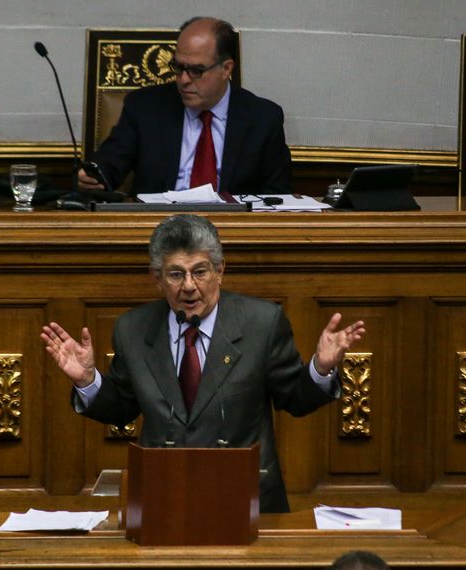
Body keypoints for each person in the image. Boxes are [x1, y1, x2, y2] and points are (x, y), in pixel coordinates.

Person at [41, 214, 365, 513]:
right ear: (157, 278)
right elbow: (122, 407)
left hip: (245, 501)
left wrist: (321, 369)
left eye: (200, 271)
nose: (189, 287)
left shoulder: (261, 323)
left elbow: (294, 397)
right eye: (175, 274)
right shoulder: (134, 329)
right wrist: (87, 380)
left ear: (220, 271)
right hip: (161, 497)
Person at [78, 17, 292, 196]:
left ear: (226, 68)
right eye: (179, 67)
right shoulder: (145, 107)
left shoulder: (263, 118)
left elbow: (278, 197)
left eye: (196, 71)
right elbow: (110, 163)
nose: (184, 80)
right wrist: (94, 176)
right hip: (157, 231)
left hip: (231, 234)